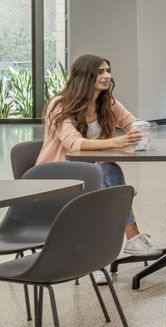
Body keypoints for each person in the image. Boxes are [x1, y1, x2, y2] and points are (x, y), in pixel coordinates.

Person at [37, 53, 157, 259]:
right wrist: (117, 142)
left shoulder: (106, 102)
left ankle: (113, 246)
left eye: (108, 71)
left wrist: (141, 132)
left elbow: (133, 123)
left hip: (95, 170)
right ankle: (103, 252)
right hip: (59, 172)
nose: (107, 76)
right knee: (106, 182)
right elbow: (73, 144)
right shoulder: (60, 104)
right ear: (84, 76)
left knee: (108, 170)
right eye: (100, 72)